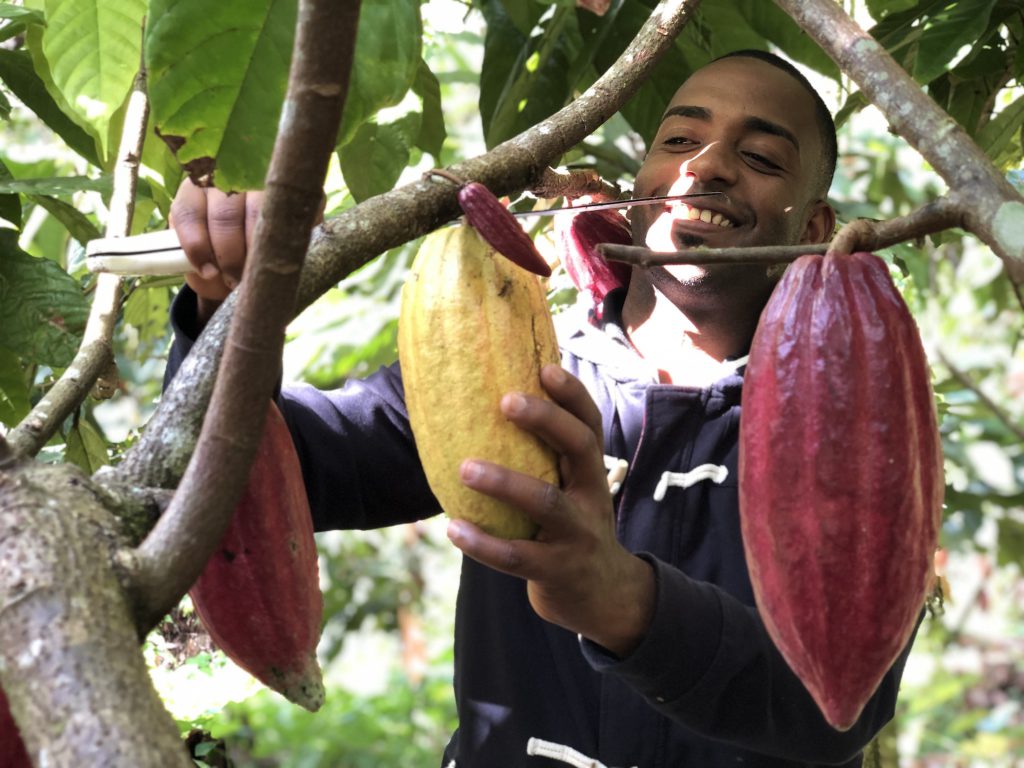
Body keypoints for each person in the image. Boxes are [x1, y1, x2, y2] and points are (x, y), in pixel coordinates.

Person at [166, 50, 917, 767]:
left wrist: (624, 603)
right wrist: (227, 317)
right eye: (681, 138)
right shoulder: (513, 367)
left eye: (759, 158)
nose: (707, 164)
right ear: (643, 184)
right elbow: (263, 474)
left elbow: (840, 706)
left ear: (815, 229)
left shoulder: (852, 428)